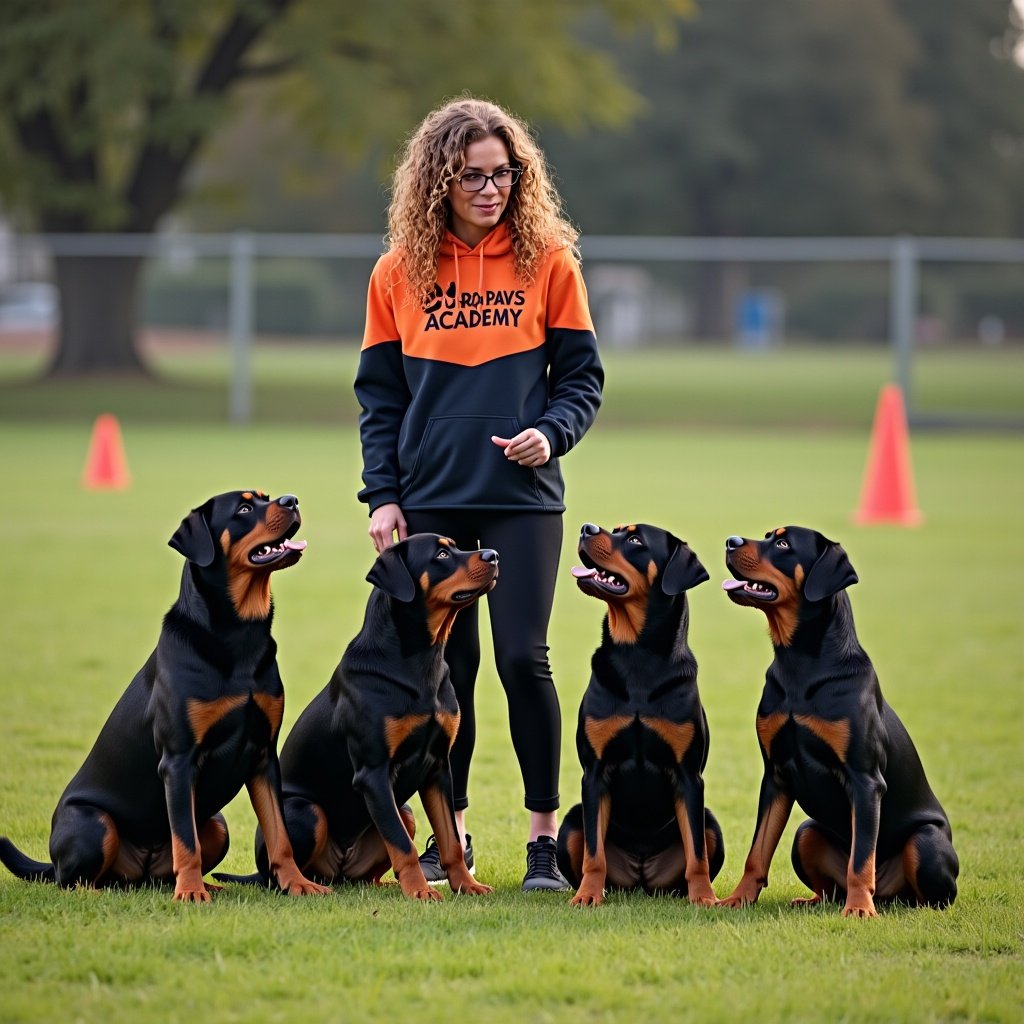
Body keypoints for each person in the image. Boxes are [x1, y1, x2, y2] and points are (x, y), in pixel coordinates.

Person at [354, 97, 603, 891]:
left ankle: (540, 839)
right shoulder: (398, 272)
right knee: (445, 669)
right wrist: (382, 497)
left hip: (521, 499)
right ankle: (449, 835)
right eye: (473, 176)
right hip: (430, 499)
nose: (491, 189)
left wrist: (551, 433)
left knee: (522, 658)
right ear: (439, 181)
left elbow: (583, 381)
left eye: (504, 174)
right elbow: (380, 402)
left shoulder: (550, 262)